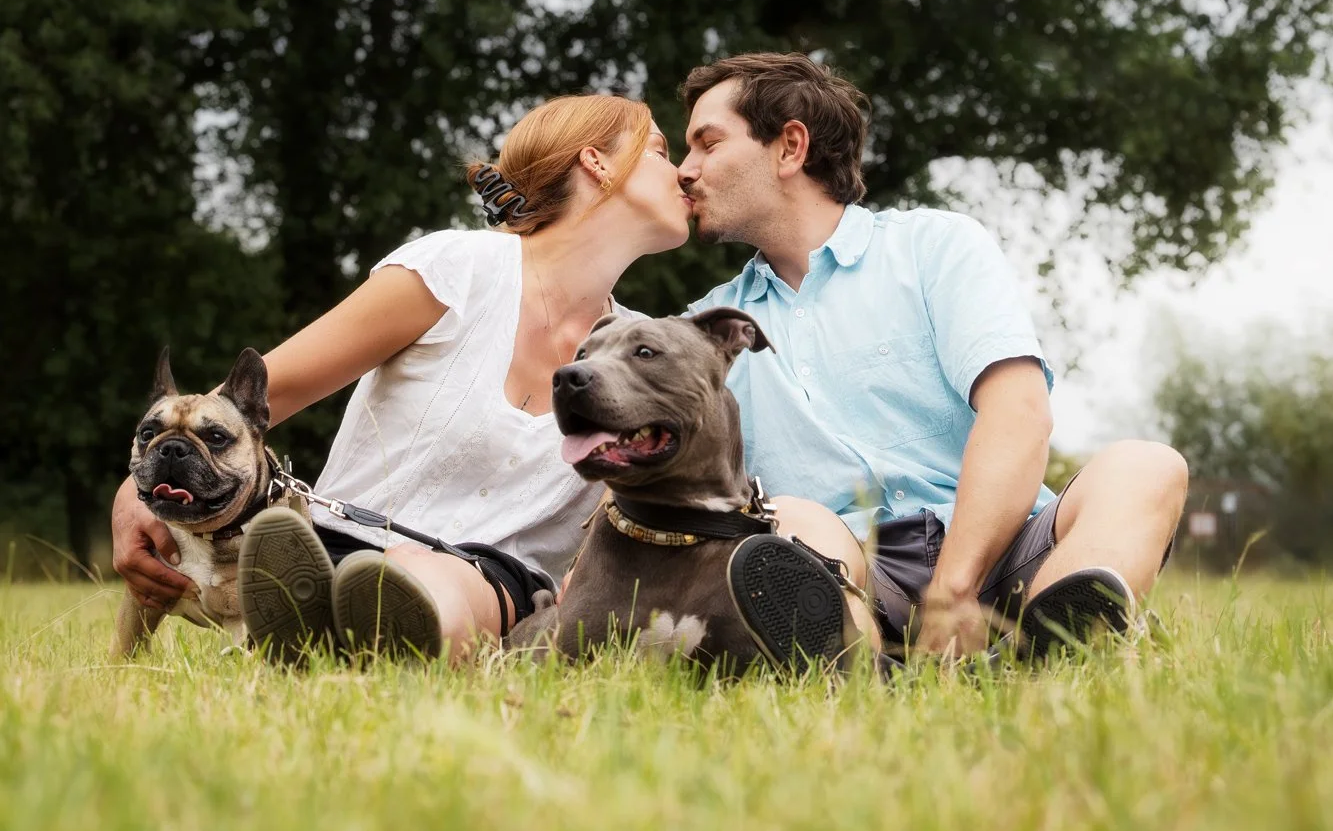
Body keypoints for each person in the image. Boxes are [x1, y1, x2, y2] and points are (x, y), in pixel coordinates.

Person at [111, 93, 874, 665]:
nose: (682, 170)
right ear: (596, 162)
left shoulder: (640, 353)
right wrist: (131, 499)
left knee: (440, 588)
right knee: (379, 570)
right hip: (341, 544)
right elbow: (237, 405)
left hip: (494, 585)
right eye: (659, 149)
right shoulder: (453, 269)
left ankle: (343, 643)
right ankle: (320, 623)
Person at [678, 52, 1189, 661]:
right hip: (846, 572)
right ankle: (870, 667)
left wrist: (954, 587)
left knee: (1147, 466)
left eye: (707, 144)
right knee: (786, 518)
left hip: (1006, 555)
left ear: (790, 147)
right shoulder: (705, 328)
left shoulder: (935, 247)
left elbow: (1019, 412)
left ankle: (1043, 648)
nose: (686, 170)